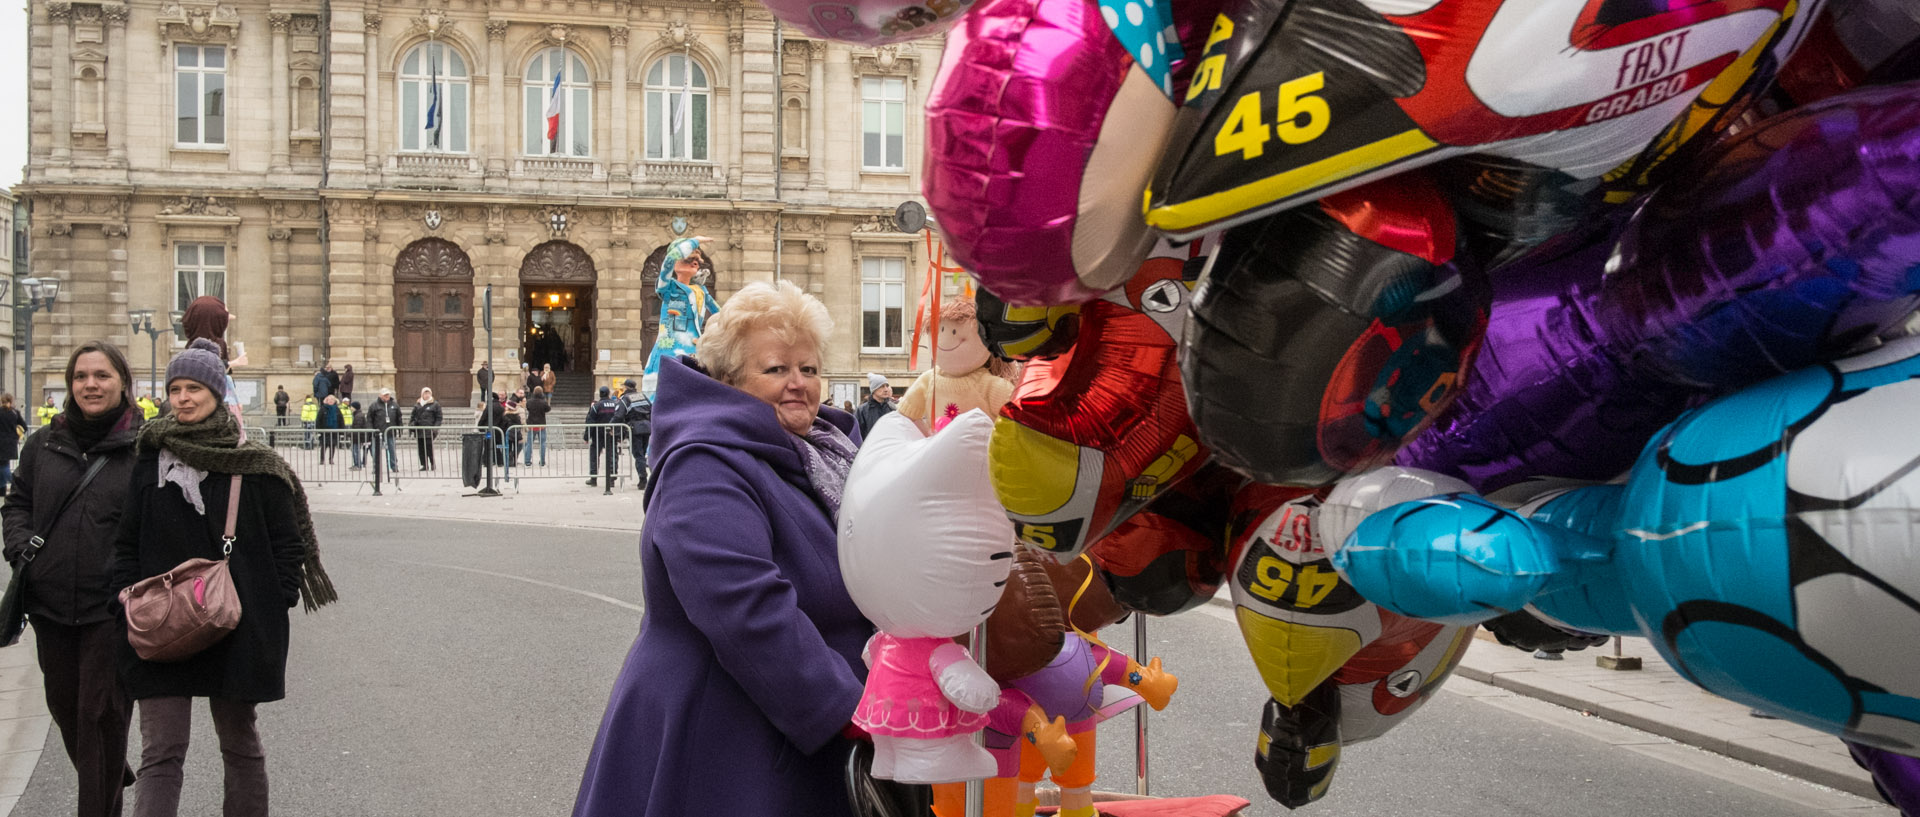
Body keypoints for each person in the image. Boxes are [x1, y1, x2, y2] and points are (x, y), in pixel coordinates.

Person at [572, 281, 867, 817]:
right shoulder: (705, 462)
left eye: (810, 368)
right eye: (776, 369)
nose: (799, 384)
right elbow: (746, 608)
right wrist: (851, 709)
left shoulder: (830, 453)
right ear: (729, 382)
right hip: (730, 737)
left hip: (811, 730)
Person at [110, 338, 337, 817]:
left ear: (216, 392)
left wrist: (274, 602)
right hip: (161, 621)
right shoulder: (150, 456)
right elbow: (126, 538)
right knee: (161, 752)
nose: (183, 398)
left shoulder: (256, 464)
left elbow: (287, 544)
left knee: (239, 744)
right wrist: (127, 598)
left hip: (238, 624)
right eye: (175, 389)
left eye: (194, 388)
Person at [1, 342, 143, 817]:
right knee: (66, 710)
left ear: (123, 382)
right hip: (51, 604)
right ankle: (108, 766)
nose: (90, 385)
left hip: (113, 609)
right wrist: (22, 550)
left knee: (97, 717)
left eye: (101, 376)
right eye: (81, 376)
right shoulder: (45, 442)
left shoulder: (145, 445)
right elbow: (17, 502)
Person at [583, 386, 620, 488]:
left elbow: (590, 421)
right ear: (608, 393)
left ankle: (594, 478)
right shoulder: (615, 404)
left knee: (594, 456)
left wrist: (587, 437)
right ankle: (611, 479)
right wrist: (621, 435)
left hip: (598, 435)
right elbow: (620, 419)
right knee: (612, 455)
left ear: (600, 394)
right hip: (611, 434)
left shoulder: (596, 406)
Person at [617, 378, 652, 485]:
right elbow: (652, 409)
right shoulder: (643, 396)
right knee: (643, 452)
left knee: (638, 455)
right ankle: (646, 477)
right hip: (647, 427)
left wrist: (611, 426)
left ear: (626, 387)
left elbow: (619, 415)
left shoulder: (626, 398)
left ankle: (643, 479)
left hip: (635, 428)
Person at [369, 388, 402, 472]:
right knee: (376, 451)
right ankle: (376, 467)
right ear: (380, 396)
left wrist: (399, 429)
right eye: (384, 395)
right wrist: (371, 430)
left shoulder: (395, 405)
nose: (386, 396)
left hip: (390, 431)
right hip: (378, 432)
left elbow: (399, 417)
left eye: (388, 394)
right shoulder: (374, 405)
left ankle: (394, 466)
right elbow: (369, 419)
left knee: (392, 450)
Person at [855, 373, 897, 438]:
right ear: (874, 389)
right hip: (869, 447)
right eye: (882, 386)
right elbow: (857, 434)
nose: (886, 389)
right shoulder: (862, 410)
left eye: (887, 386)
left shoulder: (893, 408)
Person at [410, 387, 442, 471]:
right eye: (425, 393)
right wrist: (411, 425)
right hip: (419, 429)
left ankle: (432, 463)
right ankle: (424, 464)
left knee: (429, 447)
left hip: (429, 430)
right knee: (421, 448)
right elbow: (412, 417)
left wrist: (435, 428)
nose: (427, 395)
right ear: (422, 394)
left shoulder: (435, 404)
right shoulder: (417, 404)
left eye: (428, 393)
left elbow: (439, 418)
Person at [0, 395, 24, 493]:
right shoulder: (15, 413)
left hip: (1, 442)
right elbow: (24, 426)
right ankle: (2, 489)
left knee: (3, 465)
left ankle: (16, 485)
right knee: (3, 464)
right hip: (11, 442)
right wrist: (17, 435)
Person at [524, 386, 550, 467]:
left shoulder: (529, 402)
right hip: (541, 424)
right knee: (542, 443)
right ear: (542, 393)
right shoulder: (543, 402)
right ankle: (542, 461)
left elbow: (528, 408)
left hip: (531, 424)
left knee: (529, 443)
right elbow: (548, 409)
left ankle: (527, 461)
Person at [316, 395, 343, 465]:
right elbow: (318, 420)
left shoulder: (337, 409)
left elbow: (341, 420)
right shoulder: (323, 409)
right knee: (323, 445)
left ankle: (331, 459)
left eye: (332, 400)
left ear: (334, 401)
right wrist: (318, 431)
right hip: (324, 431)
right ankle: (322, 459)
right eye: (329, 400)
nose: (330, 401)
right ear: (326, 401)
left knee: (332, 445)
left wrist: (341, 432)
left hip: (334, 431)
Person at [345, 400, 367, 470]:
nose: (350, 408)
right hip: (356, 436)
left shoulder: (358, 416)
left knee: (356, 451)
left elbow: (356, 428)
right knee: (354, 450)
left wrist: (348, 434)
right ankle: (356, 464)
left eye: (351, 407)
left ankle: (358, 465)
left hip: (357, 437)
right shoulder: (356, 415)